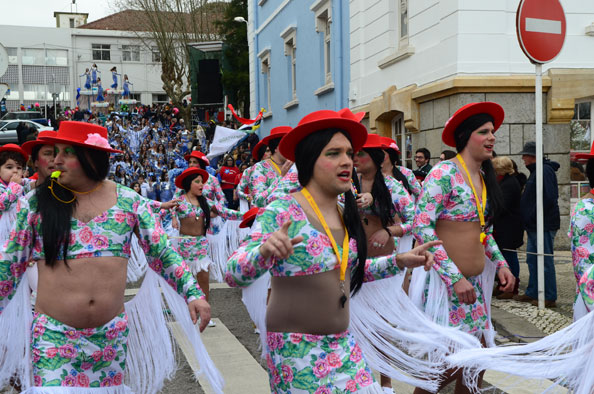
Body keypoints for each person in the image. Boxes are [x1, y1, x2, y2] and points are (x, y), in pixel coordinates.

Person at [226, 108, 440, 393]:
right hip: (297, 354)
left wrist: (399, 260)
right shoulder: (282, 210)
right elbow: (233, 273)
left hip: (344, 345)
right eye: (333, 153)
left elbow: (347, 270)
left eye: (350, 153)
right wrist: (263, 253)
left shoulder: (342, 212)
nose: (347, 162)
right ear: (309, 159)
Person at [0, 121, 220, 393]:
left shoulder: (129, 201)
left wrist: (193, 293)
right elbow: (8, 268)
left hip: (111, 341)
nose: (55, 161)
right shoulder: (35, 205)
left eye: (65, 153)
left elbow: (162, 253)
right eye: (54, 152)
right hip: (53, 340)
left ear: (91, 157)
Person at [412, 102, 515, 393]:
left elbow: (485, 232)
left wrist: (502, 264)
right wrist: (454, 277)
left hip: (474, 287)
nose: (492, 137)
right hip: (447, 287)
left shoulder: (483, 178)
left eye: (493, 131)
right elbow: (421, 226)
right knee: (446, 368)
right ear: (465, 137)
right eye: (483, 132)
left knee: (476, 363)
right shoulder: (444, 173)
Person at [516, 141, 560, 308]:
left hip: (544, 223)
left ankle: (549, 295)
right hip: (535, 223)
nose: (522, 158)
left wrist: (533, 215)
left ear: (532, 156)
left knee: (545, 260)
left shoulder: (545, 171)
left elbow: (549, 198)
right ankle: (533, 291)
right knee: (532, 259)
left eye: (525, 155)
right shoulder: (537, 172)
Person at [491, 156, 523, 299]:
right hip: (503, 226)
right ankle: (503, 284)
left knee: (510, 256)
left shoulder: (510, 183)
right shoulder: (504, 181)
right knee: (503, 255)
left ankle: (511, 286)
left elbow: (503, 205)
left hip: (509, 227)